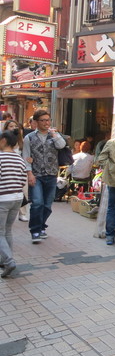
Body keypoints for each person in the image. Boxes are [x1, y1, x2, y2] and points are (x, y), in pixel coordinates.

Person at [23, 109, 67, 244]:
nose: (46, 123)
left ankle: (42, 226)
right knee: (37, 203)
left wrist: (54, 134)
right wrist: (29, 173)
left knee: (47, 205)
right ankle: (35, 231)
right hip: (36, 175)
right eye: (43, 120)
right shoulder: (29, 137)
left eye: (48, 120)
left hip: (52, 174)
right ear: (36, 122)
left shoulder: (54, 135)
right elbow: (26, 157)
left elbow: (62, 145)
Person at [0, 128, 28, 277]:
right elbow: (23, 180)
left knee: (0, 232)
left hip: (2, 199)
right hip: (17, 198)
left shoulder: (0, 158)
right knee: (8, 231)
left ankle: (9, 261)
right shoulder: (19, 159)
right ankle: (5, 260)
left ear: (4, 141)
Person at [3, 120, 29, 222]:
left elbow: (28, 155)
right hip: (6, 170)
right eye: (11, 126)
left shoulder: (22, 142)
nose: (13, 128)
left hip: (21, 170)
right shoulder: (4, 142)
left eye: (15, 126)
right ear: (6, 128)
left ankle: (22, 213)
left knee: (24, 191)